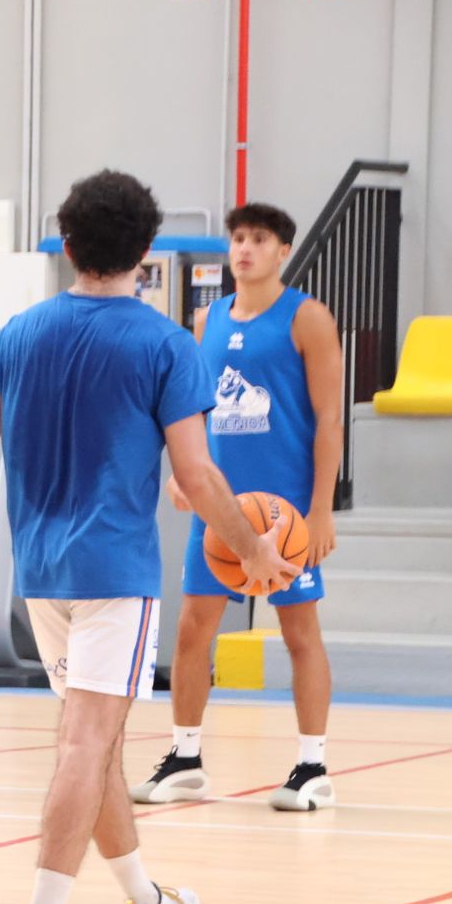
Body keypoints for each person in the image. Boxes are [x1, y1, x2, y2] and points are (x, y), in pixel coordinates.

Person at [0, 170, 298, 904]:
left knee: (90, 742)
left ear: (66, 244)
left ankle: (147, 902)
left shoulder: (17, 333)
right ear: (147, 251)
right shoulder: (165, 343)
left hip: (40, 573)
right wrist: (253, 549)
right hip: (115, 574)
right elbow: (200, 476)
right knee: (86, 742)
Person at [131, 202, 345, 813]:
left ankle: (313, 765)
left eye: (258, 239)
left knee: (298, 632)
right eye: (238, 239)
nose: (244, 248)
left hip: (284, 512)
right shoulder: (212, 318)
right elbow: (196, 406)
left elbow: (330, 419)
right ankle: (186, 757)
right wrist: (187, 472)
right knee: (194, 628)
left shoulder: (308, 318)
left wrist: (322, 511)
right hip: (222, 506)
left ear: (283, 251)